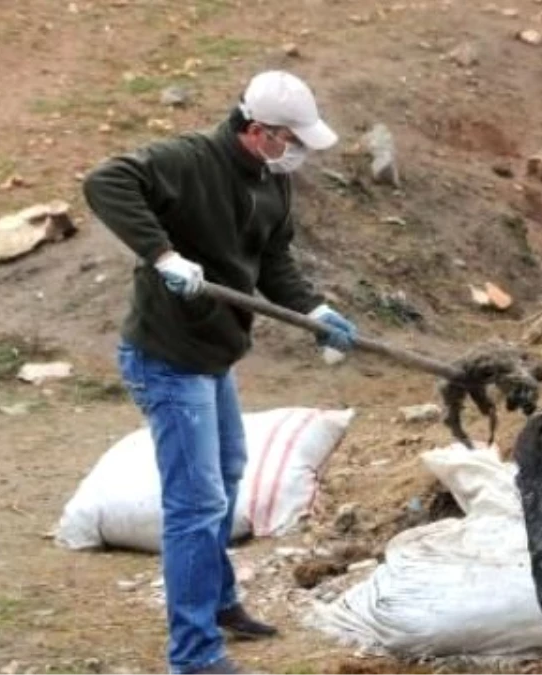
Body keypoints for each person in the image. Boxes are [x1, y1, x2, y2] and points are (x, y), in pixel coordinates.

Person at [83, 70, 357, 675]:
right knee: (196, 503)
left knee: (229, 474)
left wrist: (313, 310)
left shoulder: (269, 182)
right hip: (166, 357)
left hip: (214, 355)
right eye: (292, 140)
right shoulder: (187, 160)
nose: (298, 153)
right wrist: (164, 256)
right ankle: (194, 654)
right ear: (257, 131)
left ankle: (219, 600)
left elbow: (273, 259)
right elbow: (106, 181)